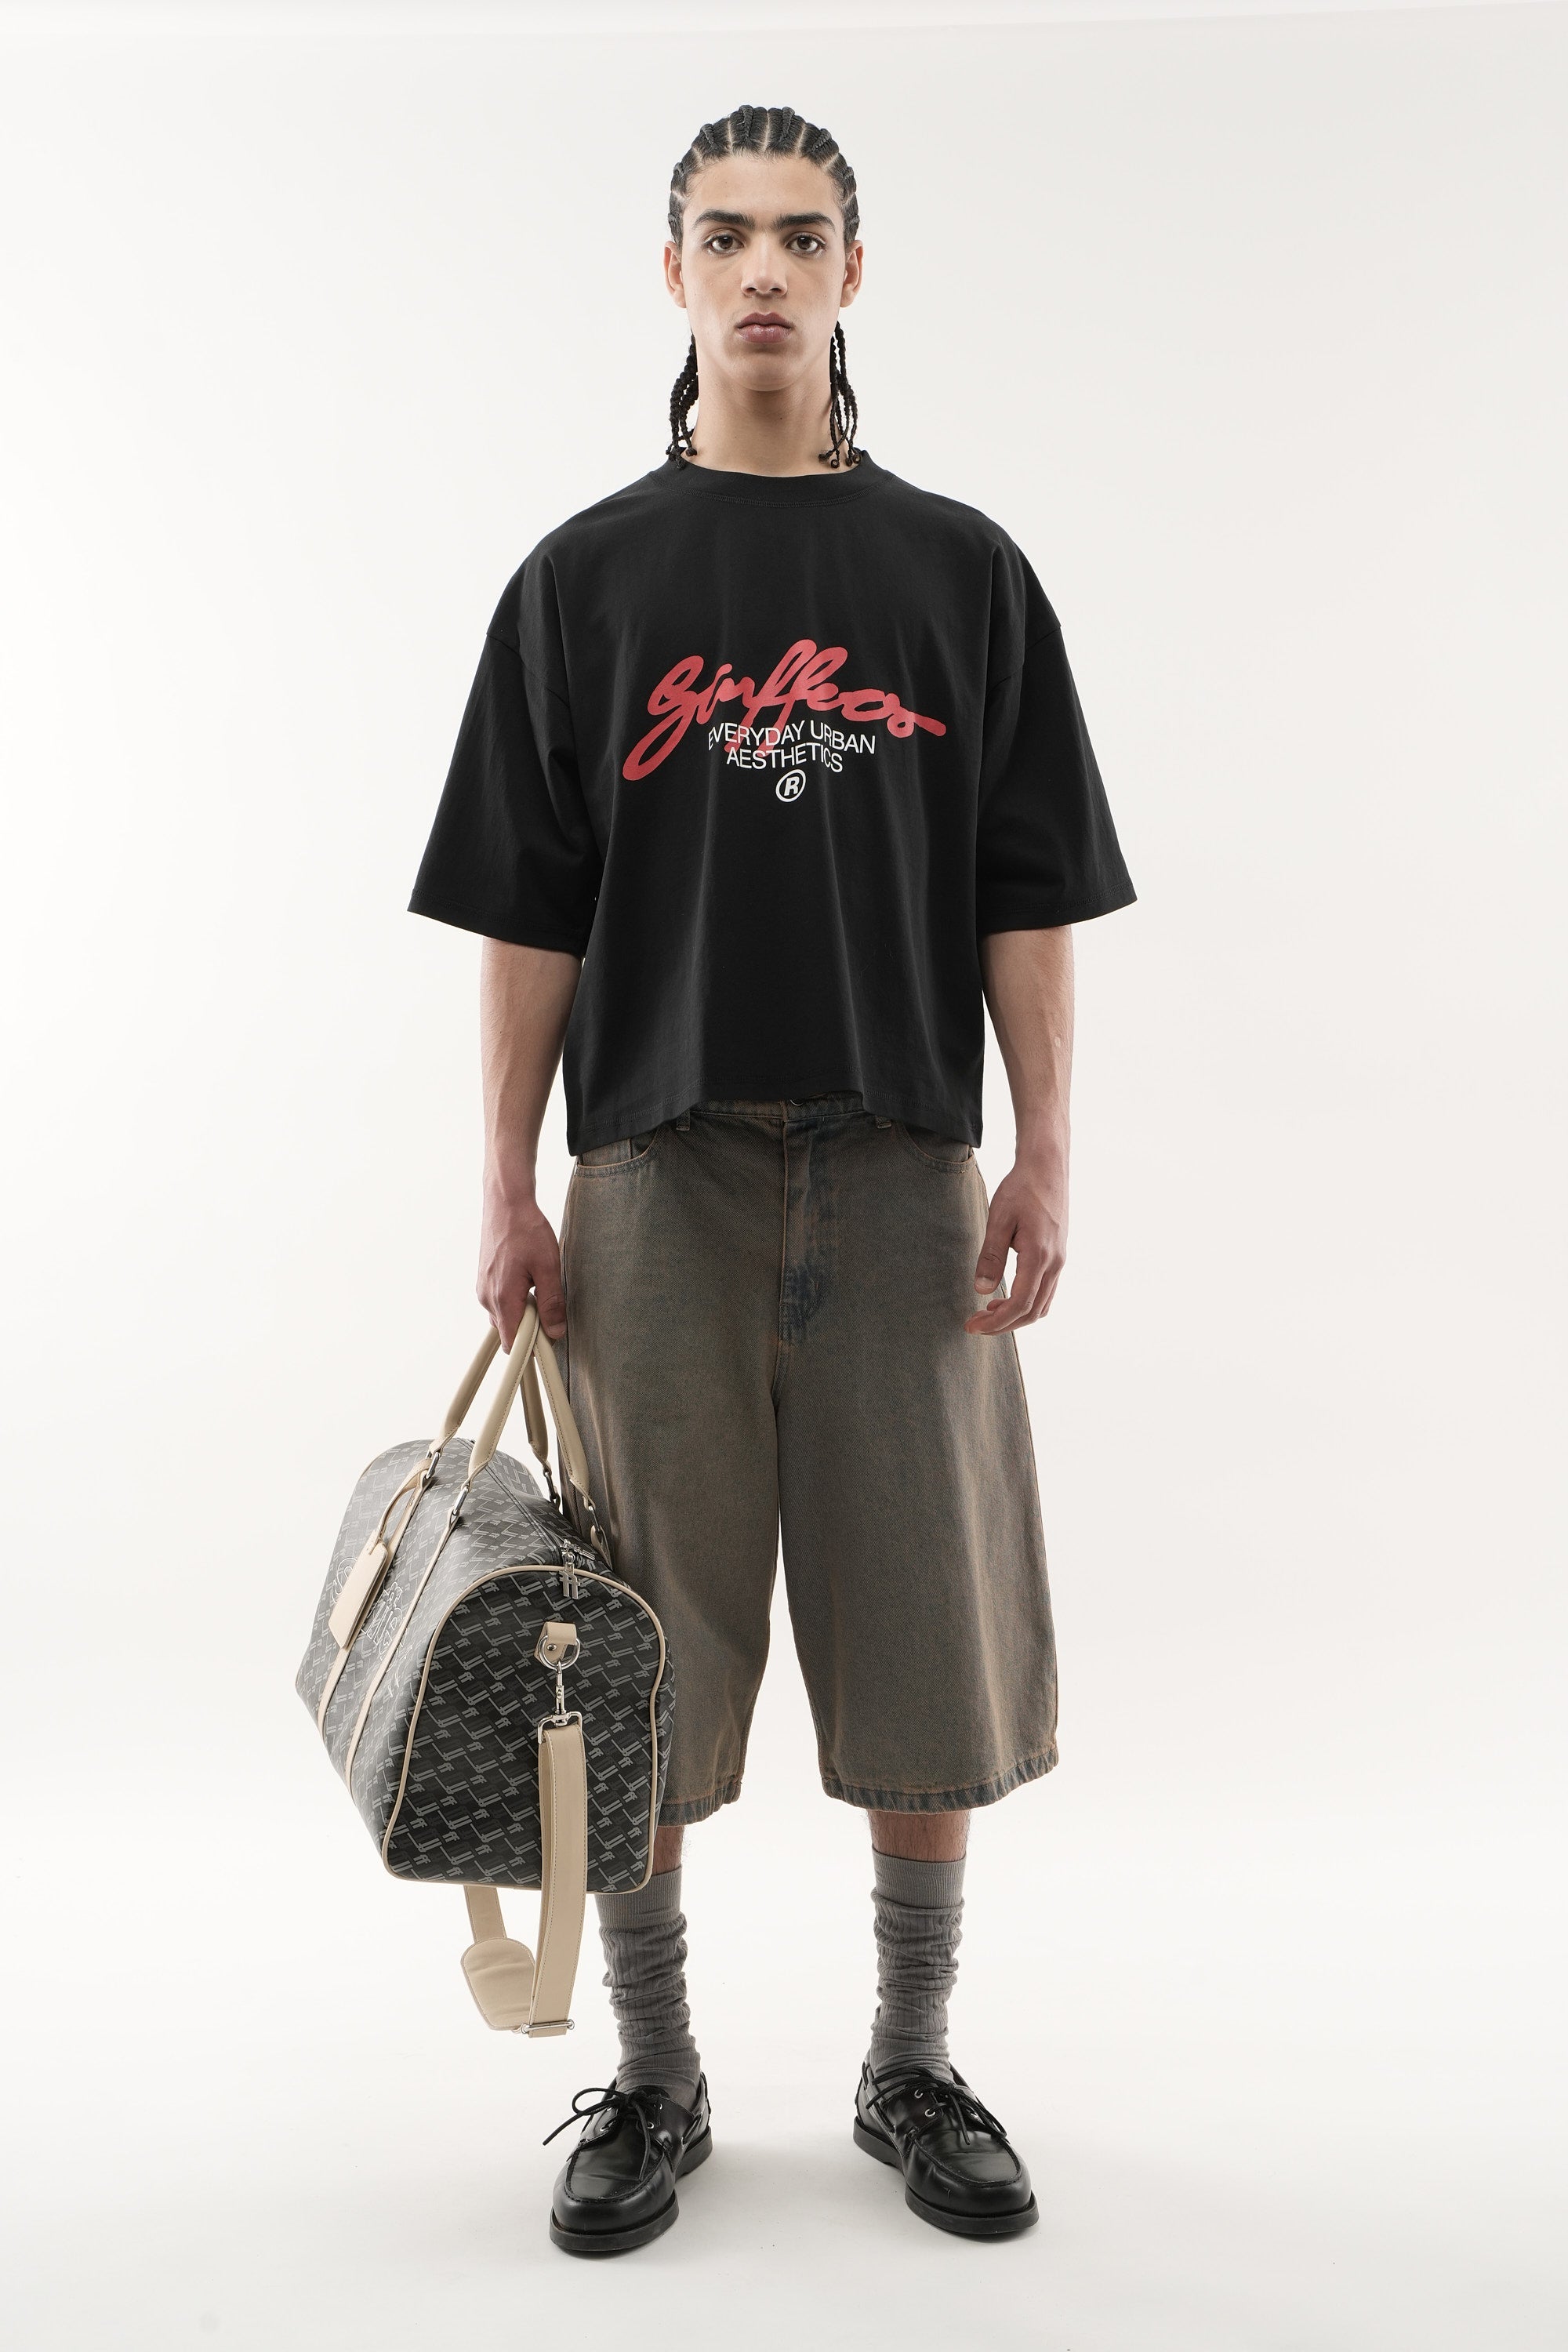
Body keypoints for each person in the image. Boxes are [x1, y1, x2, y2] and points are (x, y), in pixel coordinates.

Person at [409, 102, 1134, 2256]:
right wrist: (507, 1180)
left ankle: (912, 2062)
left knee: (927, 1629)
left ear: (849, 274)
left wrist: (1046, 1145)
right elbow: (526, 909)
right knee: (635, 1640)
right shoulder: (585, 581)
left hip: (907, 1165)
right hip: (659, 1169)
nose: (761, 272)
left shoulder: (959, 574)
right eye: (723, 236)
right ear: (672, 273)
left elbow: (1026, 887)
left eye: (800, 238)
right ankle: (654, 2074)